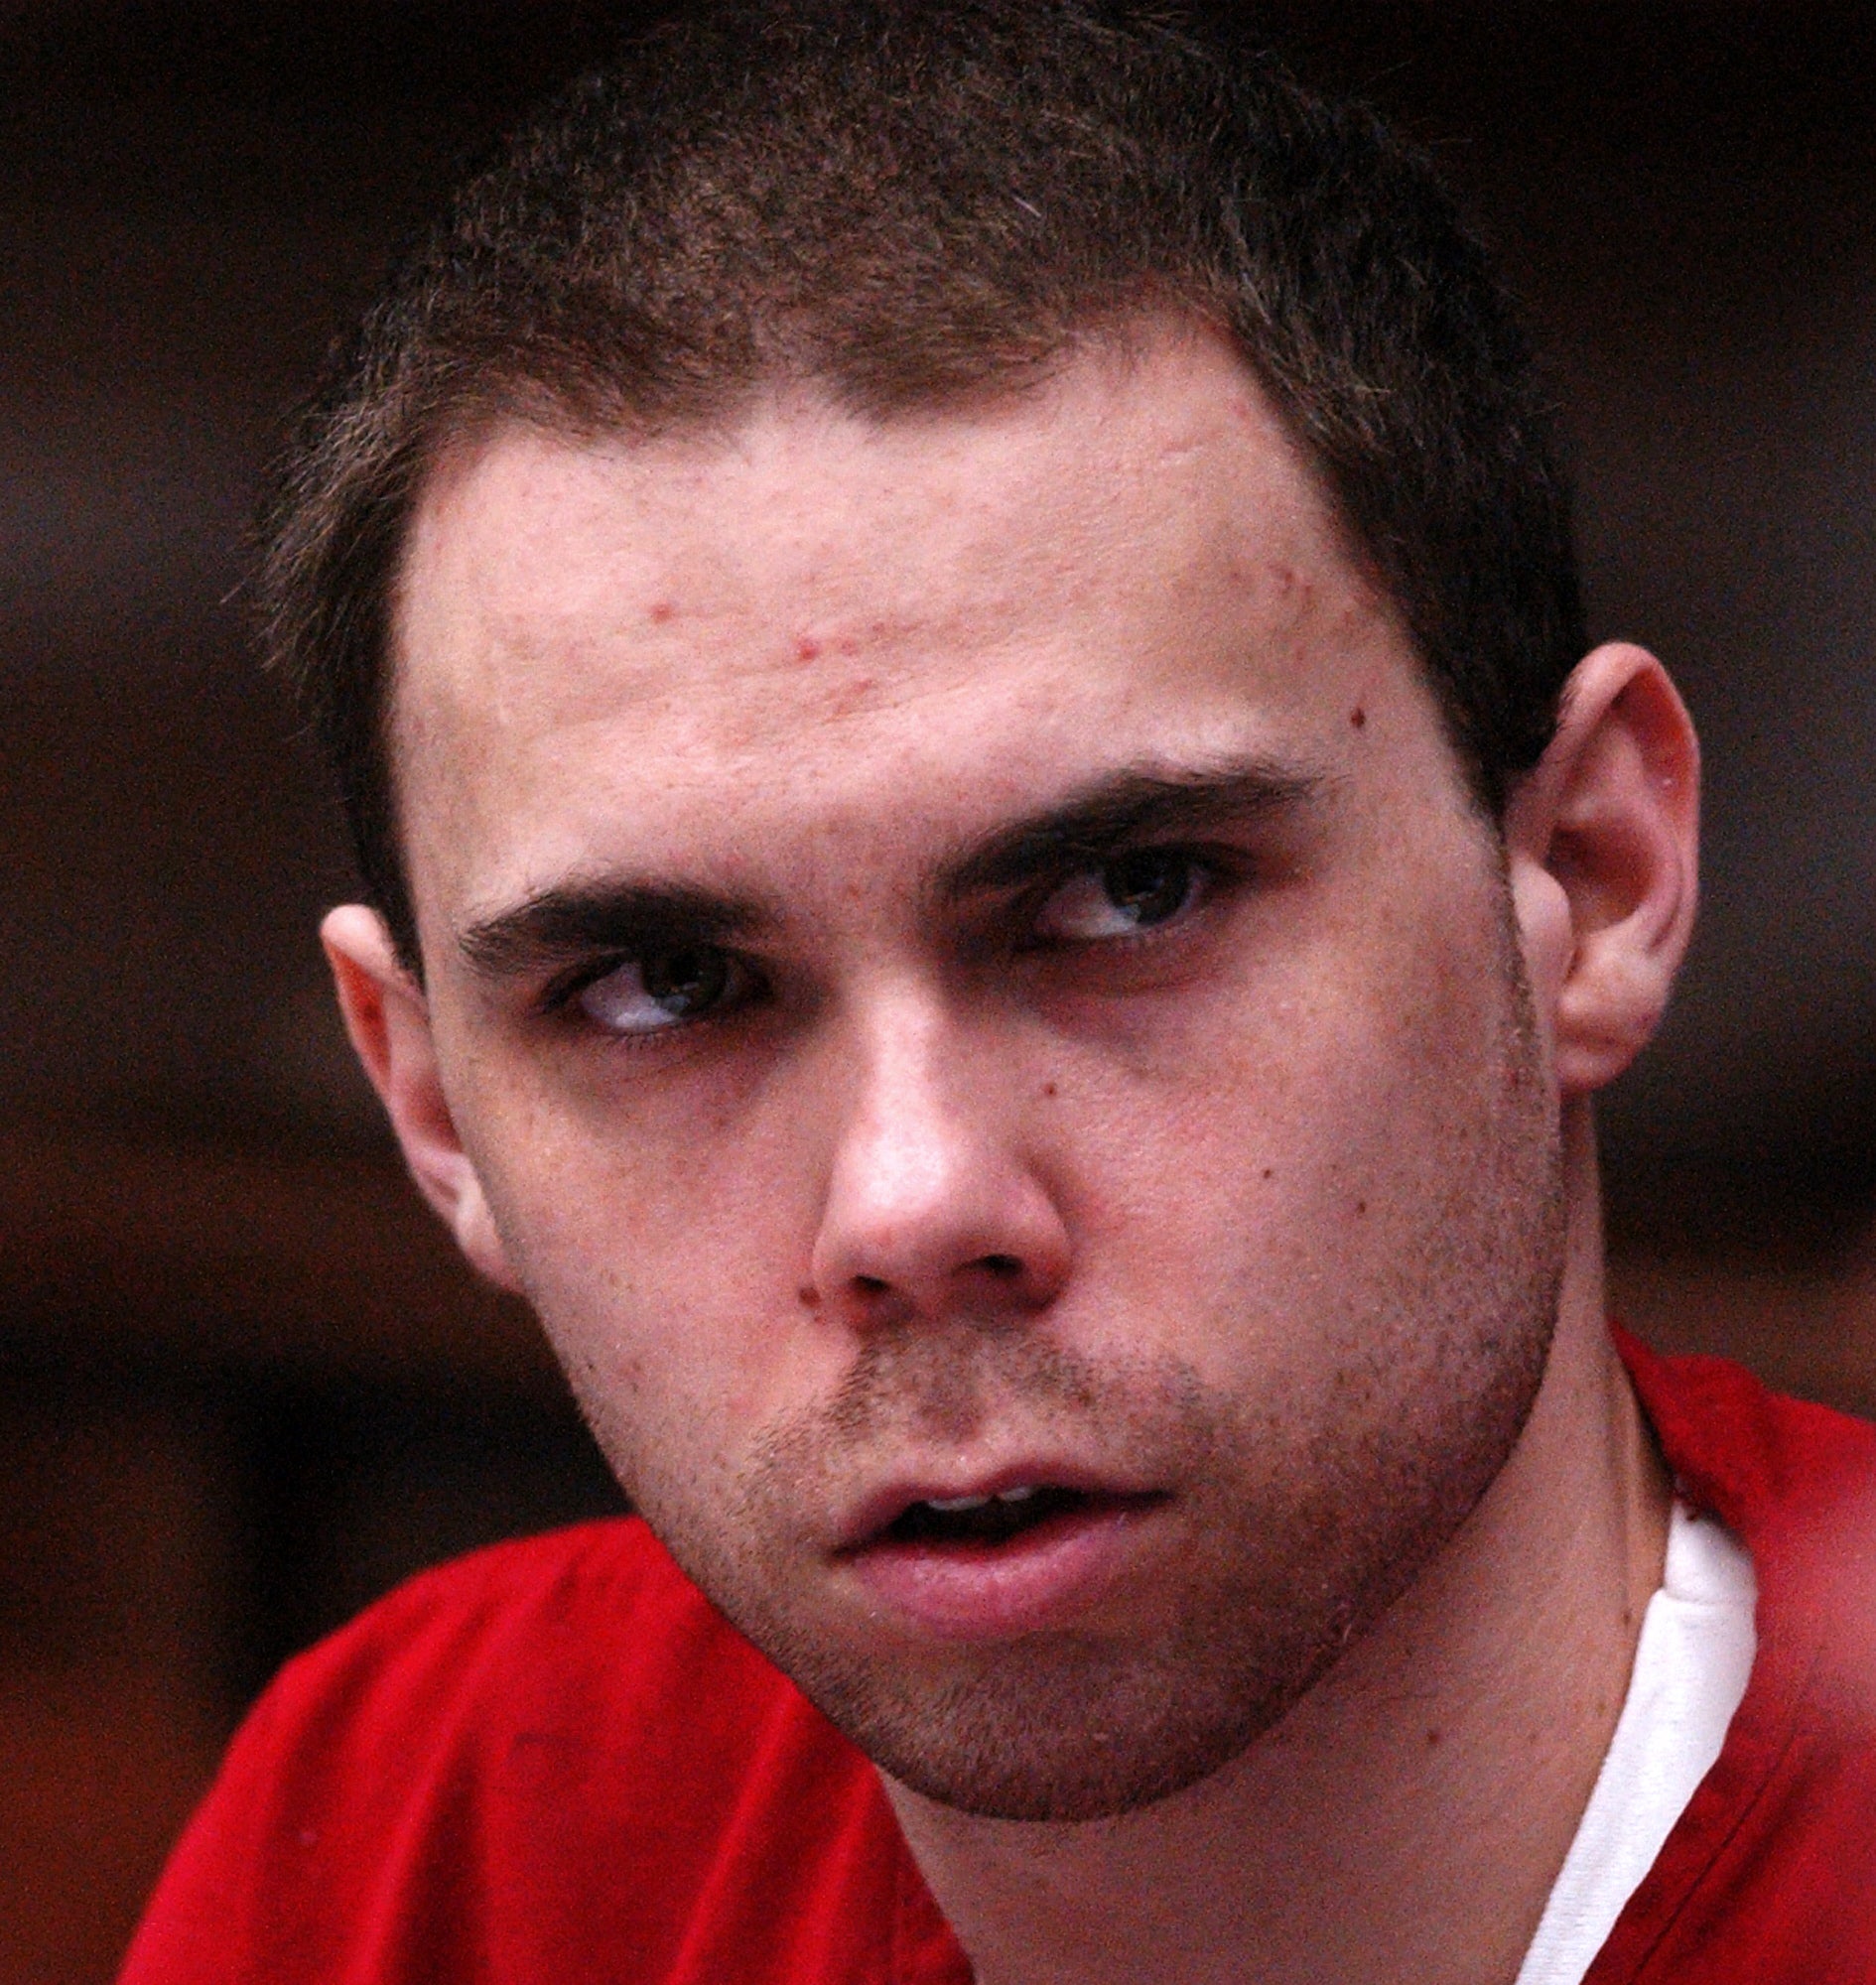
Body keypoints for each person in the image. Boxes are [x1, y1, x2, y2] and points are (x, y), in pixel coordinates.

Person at [121, 5, 1876, 1981]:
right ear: (431, 1108)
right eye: (669, 982)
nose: (915, 1205)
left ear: (1589, 879)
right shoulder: (441, 1836)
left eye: (1134, 896)